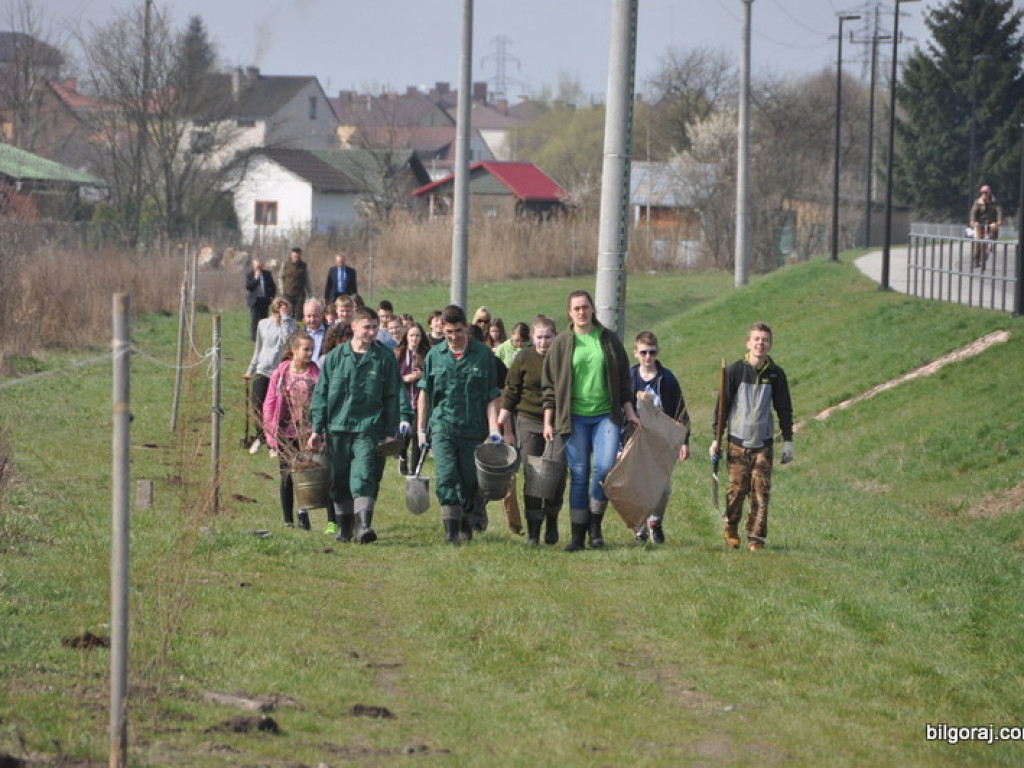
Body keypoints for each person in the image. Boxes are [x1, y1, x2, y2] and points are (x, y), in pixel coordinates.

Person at [542, 290, 639, 552]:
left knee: (605, 468)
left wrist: (629, 411)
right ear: (569, 313)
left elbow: (623, 380)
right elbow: (549, 387)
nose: (582, 312)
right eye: (576, 308)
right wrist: (548, 422)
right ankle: (577, 536)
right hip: (573, 418)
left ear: (592, 309)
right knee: (580, 475)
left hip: (606, 415)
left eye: (586, 307)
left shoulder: (608, 340)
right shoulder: (561, 343)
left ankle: (595, 526)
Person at [308, 307, 407, 544]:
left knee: (364, 475)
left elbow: (393, 396)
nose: (372, 332)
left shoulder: (384, 359)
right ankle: (344, 528)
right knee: (339, 479)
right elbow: (321, 395)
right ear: (354, 327)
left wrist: (392, 432)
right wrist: (316, 429)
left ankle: (364, 526)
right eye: (367, 327)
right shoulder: (334, 358)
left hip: (369, 428)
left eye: (374, 327)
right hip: (338, 427)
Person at [417, 304, 502, 544]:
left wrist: (494, 428)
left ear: (466, 328)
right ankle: (451, 531)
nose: (454, 337)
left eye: (458, 331)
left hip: (473, 428)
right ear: (442, 331)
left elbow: (491, 395)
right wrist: (421, 430)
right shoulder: (435, 356)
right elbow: (425, 393)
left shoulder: (483, 356)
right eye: (448, 333)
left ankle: (466, 517)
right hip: (443, 425)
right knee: (445, 477)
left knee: (469, 481)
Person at [709, 322, 794, 552]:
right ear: (748, 343)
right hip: (737, 442)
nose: (760, 343)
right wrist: (717, 438)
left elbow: (784, 409)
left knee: (760, 491)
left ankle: (756, 538)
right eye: (756, 339)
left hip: (763, 444)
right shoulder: (736, 371)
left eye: (765, 340)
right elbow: (722, 406)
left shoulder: (776, 374)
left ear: (770, 345)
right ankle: (731, 526)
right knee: (737, 490)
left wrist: (788, 441)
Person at [498, 315, 564, 546]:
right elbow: (512, 389)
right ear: (532, 338)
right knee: (534, 472)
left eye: (548, 337)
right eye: (539, 337)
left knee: (556, 470)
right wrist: (503, 415)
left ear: (555, 337)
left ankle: (552, 519)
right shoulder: (523, 358)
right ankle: (534, 530)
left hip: (558, 422)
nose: (544, 342)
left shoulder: (563, 359)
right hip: (529, 419)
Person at [628, 330, 691, 544]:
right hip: (635, 439)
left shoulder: (667, 379)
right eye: (643, 352)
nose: (648, 357)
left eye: (652, 353)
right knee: (639, 484)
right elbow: (620, 410)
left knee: (662, 488)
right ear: (635, 353)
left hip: (662, 439)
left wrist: (684, 441)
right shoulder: (630, 377)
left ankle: (655, 521)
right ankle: (639, 526)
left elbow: (680, 411)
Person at [262, 330, 322, 530]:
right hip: (285, 432)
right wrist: (270, 433)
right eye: (305, 349)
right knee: (287, 474)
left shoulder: (315, 373)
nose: (309, 354)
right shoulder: (281, 373)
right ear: (294, 350)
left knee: (304, 475)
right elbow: (270, 403)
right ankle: (288, 519)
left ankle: (303, 513)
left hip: (307, 432)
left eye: (312, 350)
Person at [244, 298, 298, 455]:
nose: (280, 314)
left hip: (281, 371)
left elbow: (286, 340)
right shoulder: (263, 324)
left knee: (277, 408)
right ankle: (261, 436)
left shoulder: (292, 325)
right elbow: (258, 349)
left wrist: (286, 320)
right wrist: (250, 370)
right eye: (279, 312)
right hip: (263, 370)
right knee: (257, 405)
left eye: (285, 311)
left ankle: (273, 442)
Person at [395, 322, 431, 474]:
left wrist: (421, 375)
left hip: (419, 402)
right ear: (406, 337)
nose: (414, 339)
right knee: (404, 433)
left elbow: (432, 375)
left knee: (417, 433)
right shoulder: (398, 354)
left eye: (417, 335)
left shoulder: (427, 355)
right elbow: (392, 378)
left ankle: (414, 470)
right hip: (403, 402)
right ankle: (402, 456)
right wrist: (406, 378)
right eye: (411, 335)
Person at [969, 184, 1002, 267]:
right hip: (980, 224)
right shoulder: (978, 202)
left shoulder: (994, 202)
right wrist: (973, 221)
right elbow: (973, 212)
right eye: (983, 192)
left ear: (989, 192)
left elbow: (999, 211)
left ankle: (991, 246)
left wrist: (999, 221)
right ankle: (976, 260)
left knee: (992, 235)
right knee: (978, 241)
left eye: (986, 192)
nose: (984, 194)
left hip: (991, 224)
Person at [245, 258, 276, 342]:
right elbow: (248, 287)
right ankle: (254, 338)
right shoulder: (250, 274)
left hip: (264, 300)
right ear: (253, 266)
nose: (258, 268)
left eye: (260, 266)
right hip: (255, 301)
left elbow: (273, 287)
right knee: (254, 320)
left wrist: (271, 298)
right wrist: (256, 278)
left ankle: (263, 337)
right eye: (256, 266)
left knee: (264, 320)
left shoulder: (267, 274)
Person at [280, 246, 312, 312]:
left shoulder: (303, 266)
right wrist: (282, 289)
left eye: (298, 256)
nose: (296, 258)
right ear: (291, 255)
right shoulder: (285, 265)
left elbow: (307, 280)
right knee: (288, 314)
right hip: (288, 294)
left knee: (298, 316)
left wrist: (310, 293)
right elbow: (280, 277)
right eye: (295, 256)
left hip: (299, 295)